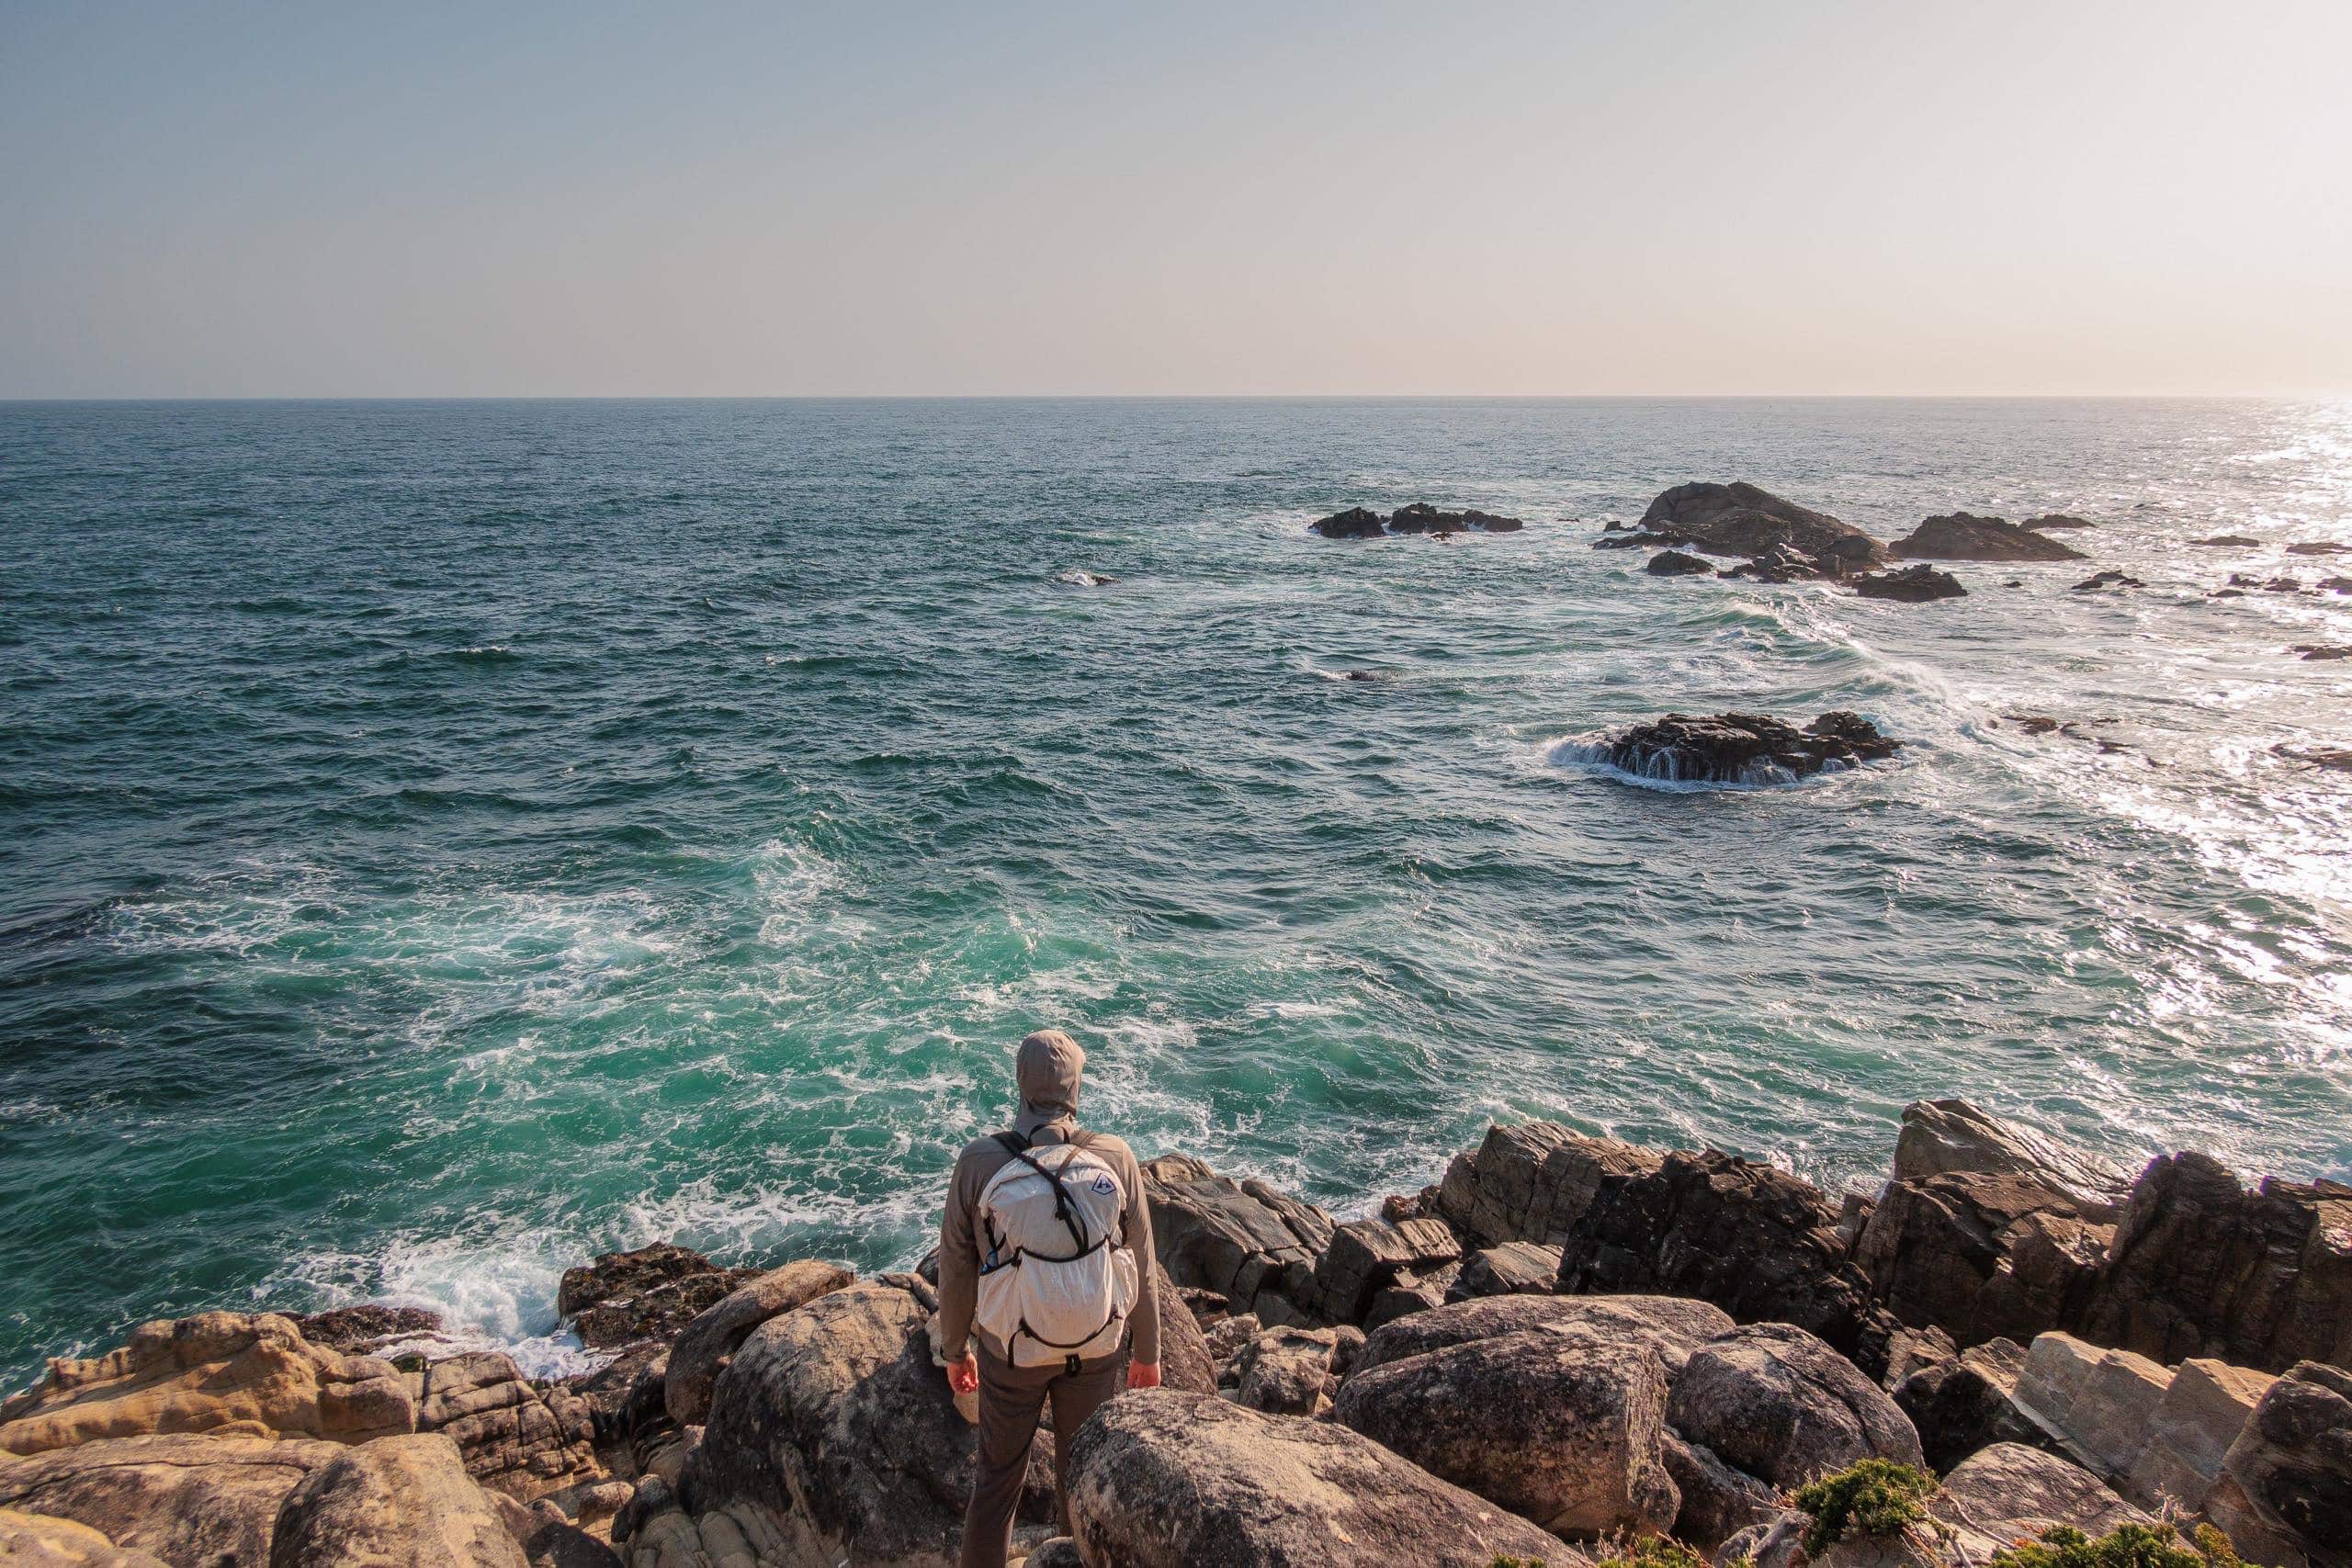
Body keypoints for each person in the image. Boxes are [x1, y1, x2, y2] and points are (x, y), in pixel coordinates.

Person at [936, 1029, 1160, 1568]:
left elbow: (956, 1265)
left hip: (1011, 1351)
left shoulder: (979, 1161)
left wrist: (955, 1349)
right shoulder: (1115, 1156)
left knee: (997, 1481)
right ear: (1076, 1086)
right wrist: (1148, 1353)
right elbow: (1144, 1262)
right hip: (1096, 1345)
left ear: (1020, 1085)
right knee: (1080, 1473)